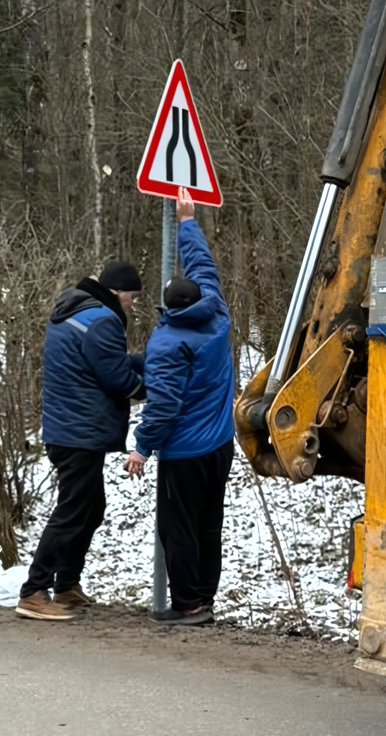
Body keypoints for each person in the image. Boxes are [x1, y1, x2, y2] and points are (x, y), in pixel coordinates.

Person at [127, 188, 235, 627]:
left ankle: (188, 605)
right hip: (220, 446)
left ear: (168, 308)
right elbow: (203, 269)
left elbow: (164, 404)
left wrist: (141, 447)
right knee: (209, 524)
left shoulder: (168, 342)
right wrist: (187, 222)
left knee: (178, 529)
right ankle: (203, 598)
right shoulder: (217, 314)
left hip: (185, 453)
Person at [17, 254, 146, 621]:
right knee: (73, 511)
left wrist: (143, 360)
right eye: (130, 297)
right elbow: (118, 380)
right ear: (115, 291)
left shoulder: (73, 312)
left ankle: (67, 586)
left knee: (90, 508)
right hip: (80, 432)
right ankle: (34, 591)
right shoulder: (103, 320)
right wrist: (156, 385)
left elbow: (103, 363)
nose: (131, 304)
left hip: (67, 428)